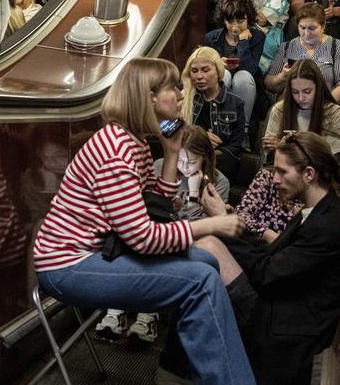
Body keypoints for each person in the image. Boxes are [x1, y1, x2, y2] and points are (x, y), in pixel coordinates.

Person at [31, 58, 253, 384]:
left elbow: (156, 211)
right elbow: (145, 238)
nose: (181, 95)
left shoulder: (134, 143)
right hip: (68, 264)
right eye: (173, 88)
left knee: (207, 261)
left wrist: (173, 153)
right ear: (149, 97)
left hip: (101, 252)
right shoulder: (116, 151)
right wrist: (211, 225)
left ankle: (184, 371)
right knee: (199, 281)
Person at [196, 132, 340, 385]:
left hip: (286, 327)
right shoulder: (316, 210)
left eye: (282, 172)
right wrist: (233, 224)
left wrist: (224, 225)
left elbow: (267, 273)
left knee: (208, 247)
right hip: (282, 305)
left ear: (308, 174)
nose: (274, 179)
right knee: (209, 247)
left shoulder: (329, 225)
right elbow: (272, 256)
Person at [101, 126, 236, 345]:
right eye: (180, 160)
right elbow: (142, 212)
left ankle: (147, 315)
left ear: (205, 158)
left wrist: (192, 196)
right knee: (136, 238)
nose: (184, 167)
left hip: (188, 240)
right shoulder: (160, 167)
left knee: (157, 248)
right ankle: (117, 310)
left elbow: (208, 227)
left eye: (192, 162)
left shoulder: (219, 182)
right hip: (156, 234)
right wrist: (166, 205)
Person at [182, 47, 250, 180]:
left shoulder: (236, 103)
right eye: (194, 71)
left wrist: (208, 153)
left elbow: (235, 146)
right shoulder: (183, 97)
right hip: (189, 155)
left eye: (205, 70)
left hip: (220, 160)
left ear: (218, 72)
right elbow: (165, 128)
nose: (199, 76)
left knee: (225, 164)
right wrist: (198, 136)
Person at [266, 3, 340, 103]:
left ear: (323, 26)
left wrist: (320, 104)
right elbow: (269, 83)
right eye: (302, 28)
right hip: (290, 106)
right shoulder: (286, 47)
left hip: (323, 105)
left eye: (312, 28)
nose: (307, 33)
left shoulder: (337, 47)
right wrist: (283, 76)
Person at [263, 59, 340, 153]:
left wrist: (286, 147)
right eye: (295, 92)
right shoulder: (279, 110)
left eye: (307, 91)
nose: (301, 98)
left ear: (319, 87)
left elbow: (334, 159)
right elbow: (269, 152)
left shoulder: (335, 113)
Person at [204, 0, 266, 116]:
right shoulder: (211, 38)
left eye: (240, 21)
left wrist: (243, 42)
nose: (235, 26)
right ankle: (220, 122)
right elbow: (205, 71)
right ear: (224, 20)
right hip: (221, 84)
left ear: (248, 19)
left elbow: (250, 69)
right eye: (230, 21)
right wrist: (218, 65)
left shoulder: (258, 37)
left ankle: (244, 128)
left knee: (242, 76)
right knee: (224, 75)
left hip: (248, 85)